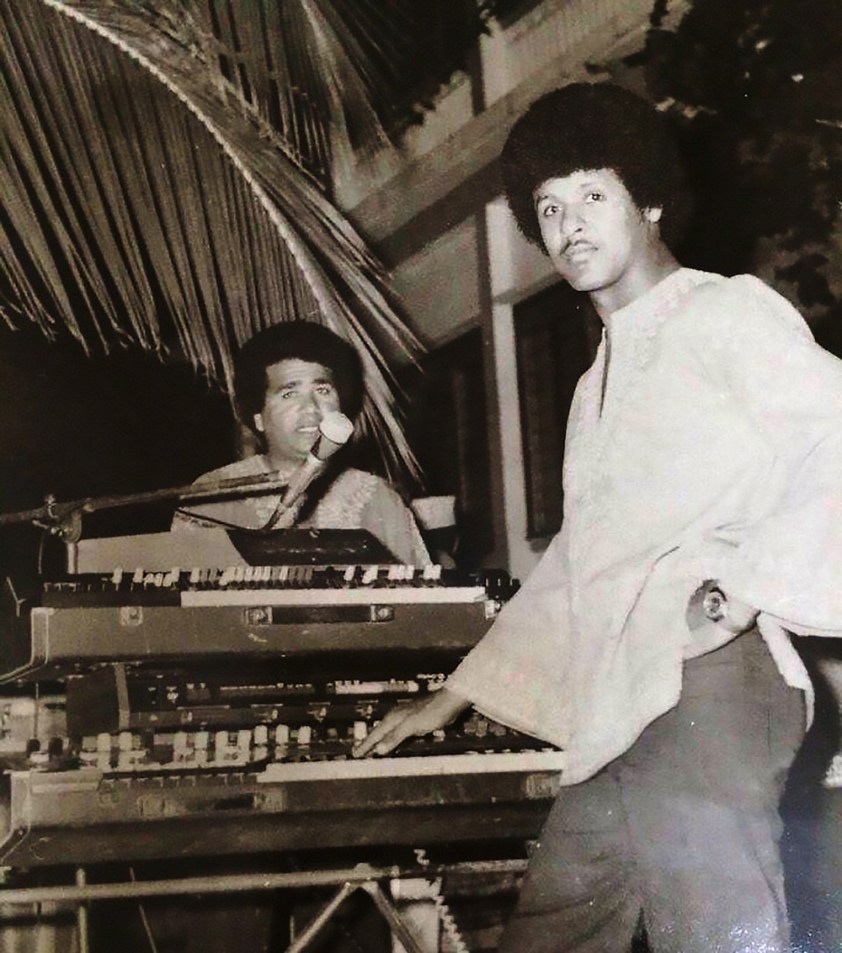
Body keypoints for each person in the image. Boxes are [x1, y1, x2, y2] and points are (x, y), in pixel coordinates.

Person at [354, 81, 842, 952]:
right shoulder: (591, 388)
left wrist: (740, 591)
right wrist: (454, 696)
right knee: (551, 928)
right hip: (621, 705)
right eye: (549, 206)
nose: (569, 223)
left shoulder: (723, 311)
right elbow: (582, 561)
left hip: (710, 690)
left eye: (592, 195)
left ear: (648, 200)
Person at [172, 320, 429, 566]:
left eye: (322, 391)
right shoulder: (212, 497)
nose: (311, 408)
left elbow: (421, 592)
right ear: (258, 417)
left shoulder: (379, 498)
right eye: (289, 393)